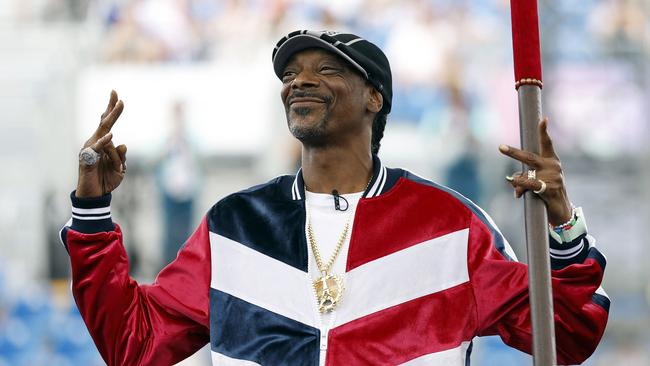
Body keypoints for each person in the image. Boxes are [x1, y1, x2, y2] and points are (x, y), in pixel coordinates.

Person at [62, 30, 609, 365]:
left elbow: (566, 334)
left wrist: (561, 226)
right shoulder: (235, 223)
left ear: (375, 97)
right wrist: (92, 216)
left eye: (325, 70)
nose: (300, 82)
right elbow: (133, 345)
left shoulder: (448, 224)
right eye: (292, 74)